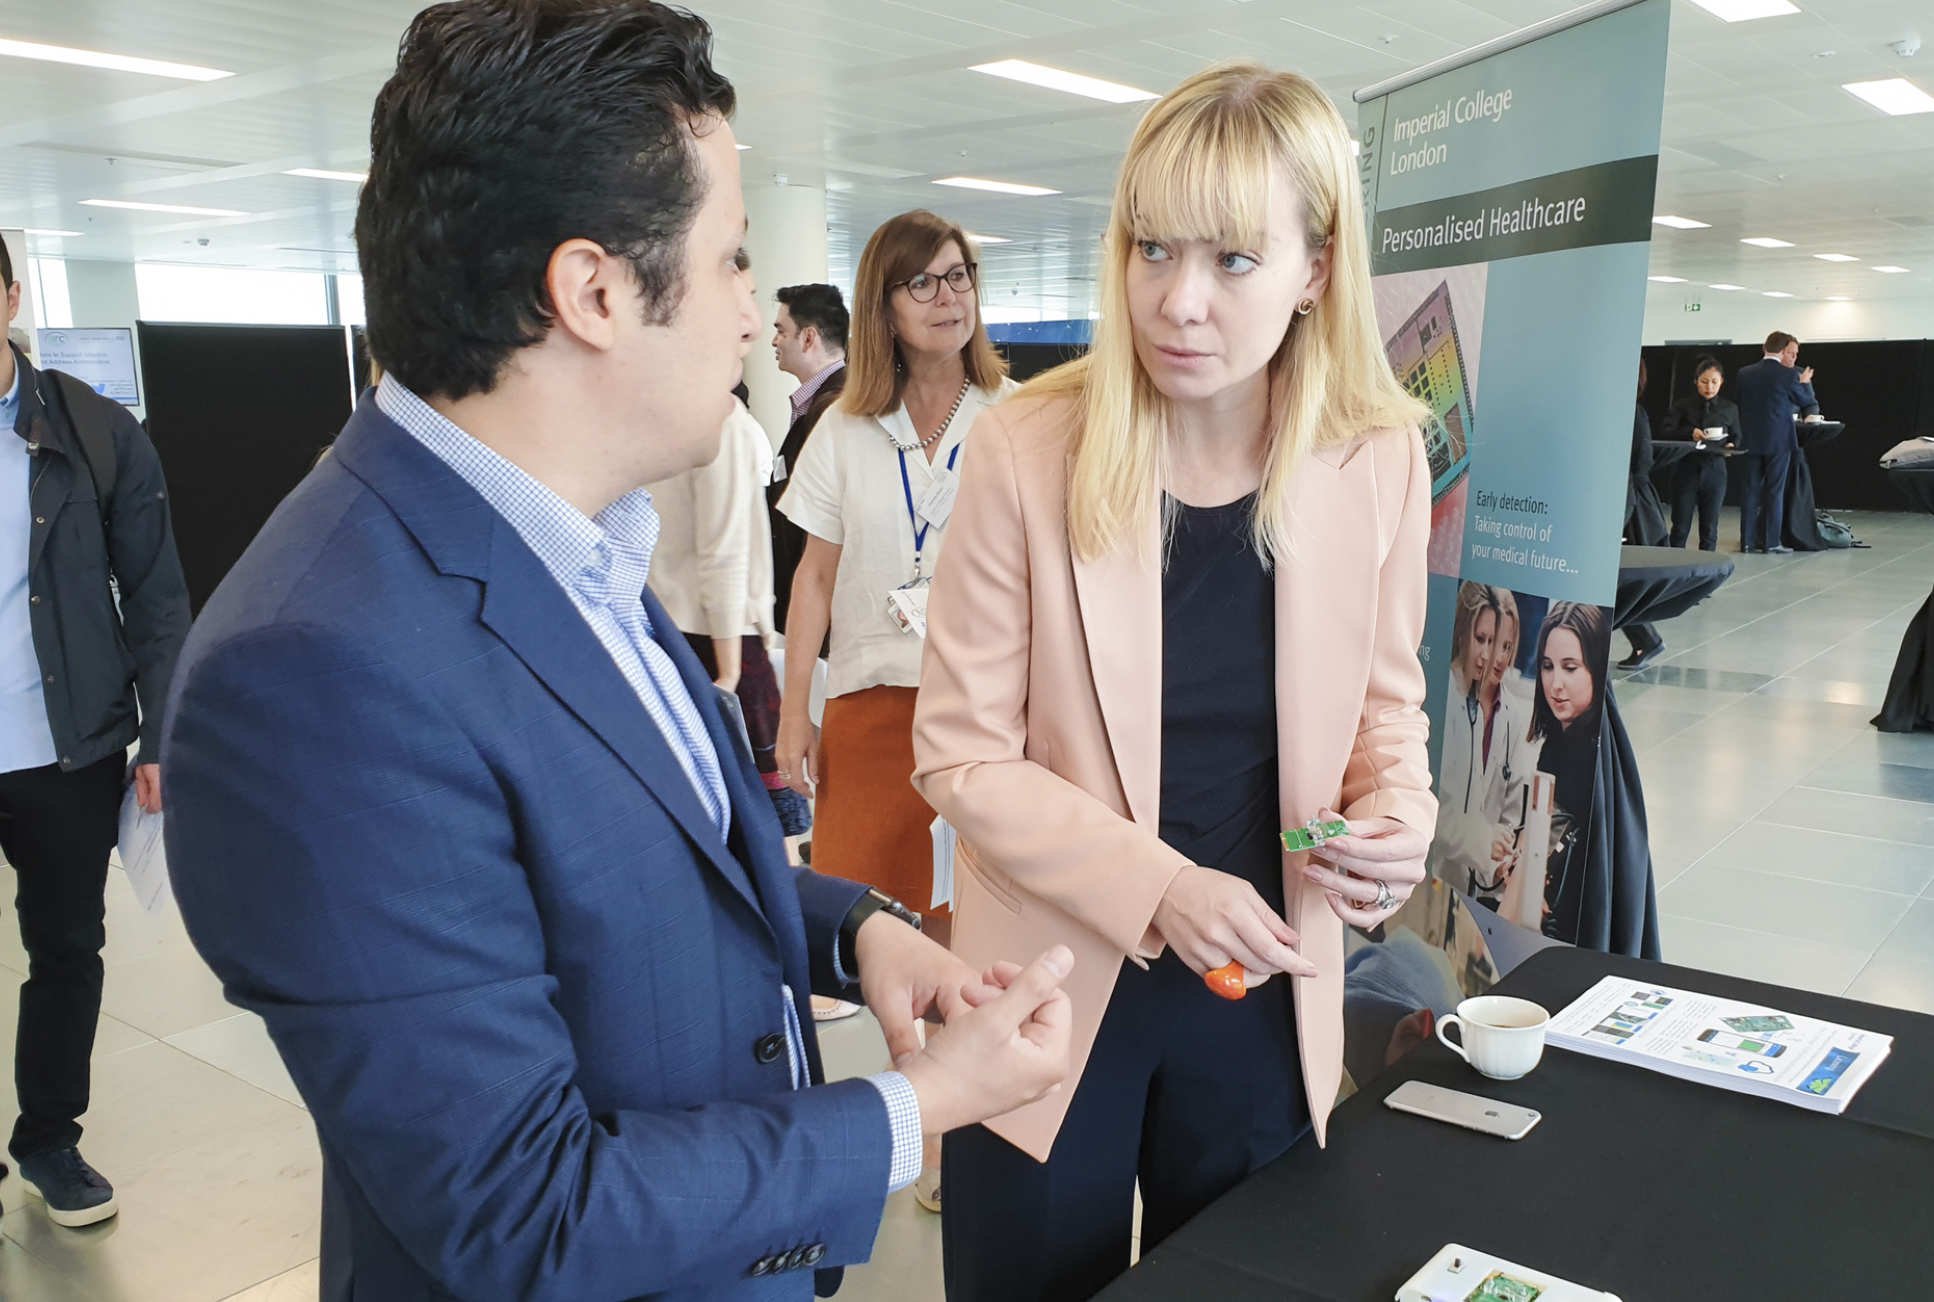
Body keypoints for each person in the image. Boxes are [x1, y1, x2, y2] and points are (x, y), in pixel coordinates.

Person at [160, 6, 1071, 1299]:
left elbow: (648, 868)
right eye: (732, 262)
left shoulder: (566, 535)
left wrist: (858, 932)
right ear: (592, 291)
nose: (757, 312)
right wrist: (911, 1111)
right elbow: (525, 1212)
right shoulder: (317, 671)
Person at [911, 62, 1436, 1300]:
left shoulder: (1374, 455)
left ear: (1315, 268)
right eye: (1150, 249)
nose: (1176, 302)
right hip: (1050, 986)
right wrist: (1161, 888)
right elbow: (962, 753)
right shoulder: (1027, 447)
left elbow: (1384, 713)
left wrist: (1397, 824)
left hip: (1258, 986)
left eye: (1230, 261)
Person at [777, 208, 1019, 1204]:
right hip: (873, 713)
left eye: (959, 277)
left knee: (972, 925)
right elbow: (813, 585)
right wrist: (795, 711)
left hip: (983, 718)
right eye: (923, 282)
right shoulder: (841, 430)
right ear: (883, 302)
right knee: (878, 920)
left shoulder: (1013, 417)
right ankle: (910, 1118)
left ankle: (966, 1127)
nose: (947, 296)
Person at [0, 244, 190, 1230]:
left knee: (66, 946)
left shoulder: (93, 429)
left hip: (63, 745)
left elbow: (157, 597)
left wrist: (161, 731)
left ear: (11, 295)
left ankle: (49, 1139)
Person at [646, 376, 799, 829]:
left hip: (665, 626)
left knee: (702, 808)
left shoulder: (647, 412)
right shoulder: (721, 420)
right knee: (764, 820)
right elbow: (725, 552)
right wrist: (730, 671)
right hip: (721, 637)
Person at [1434, 584, 1529, 909]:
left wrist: (1501, 851)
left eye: (1505, 646)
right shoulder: (1441, 696)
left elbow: (1512, 812)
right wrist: (1484, 842)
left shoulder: (1513, 715)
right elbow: (1433, 810)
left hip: (1486, 891)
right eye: (1483, 640)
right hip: (1433, 882)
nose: (1494, 658)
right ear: (1462, 632)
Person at [1527, 601, 1611, 939]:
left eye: (1571, 667)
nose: (1555, 684)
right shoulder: (1556, 740)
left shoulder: (1592, 753)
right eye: (1548, 667)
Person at [768, 282, 848, 633]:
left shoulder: (835, 409)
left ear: (808, 338)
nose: (774, 341)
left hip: (821, 609)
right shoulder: (818, 404)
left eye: (781, 331)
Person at [1735, 330, 1818, 554]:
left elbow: (1741, 404)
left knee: (1750, 491)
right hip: (1779, 441)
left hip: (1750, 439)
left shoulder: (1744, 373)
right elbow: (1804, 400)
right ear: (1782, 351)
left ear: (1764, 347)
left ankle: (1747, 541)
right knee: (1774, 491)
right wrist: (1803, 382)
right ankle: (1771, 542)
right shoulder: (1788, 375)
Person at [1660, 355, 1740, 552]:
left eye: (1714, 382)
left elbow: (1737, 436)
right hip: (1686, 469)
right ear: (1696, 381)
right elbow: (1665, 431)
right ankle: (1673, 567)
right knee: (1680, 526)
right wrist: (1690, 433)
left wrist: (1731, 447)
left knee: (1710, 527)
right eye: (1704, 381)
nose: (1709, 387)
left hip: (1715, 470)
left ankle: (1707, 569)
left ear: (1721, 382)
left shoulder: (1730, 408)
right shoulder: (1682, 405)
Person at [1620, 359, 1667, 670]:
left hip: (1626, 506)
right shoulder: (1621, 411)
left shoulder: (1632, 414)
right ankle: (1645, 639)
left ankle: (1646, 639)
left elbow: (1641, 465)